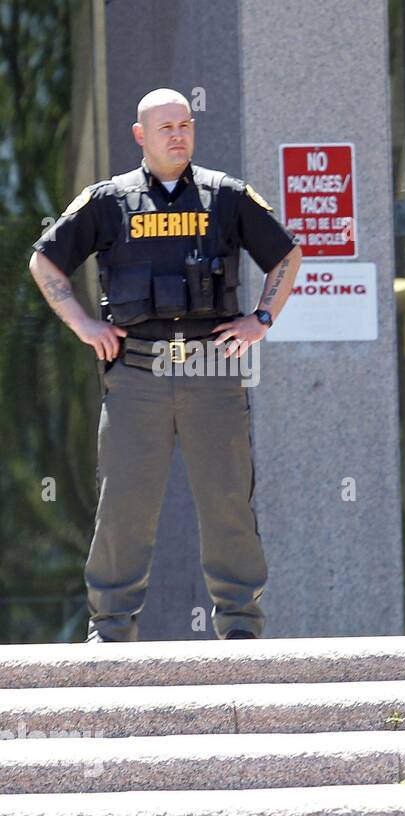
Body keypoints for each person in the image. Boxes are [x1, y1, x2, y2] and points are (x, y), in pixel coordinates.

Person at [29, 88, 302, 642]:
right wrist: (85, 327)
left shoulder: (226, 196)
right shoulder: (108, 201)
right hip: (136, 376)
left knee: (228, 502)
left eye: (185, 124)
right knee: (124, 507)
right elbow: (45, 261)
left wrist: (262, 319)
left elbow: (287, 254)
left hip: (212, 372)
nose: (178, 135)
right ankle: (110, 629)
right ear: (140, 136)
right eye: (165, 128)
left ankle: (241, 627)